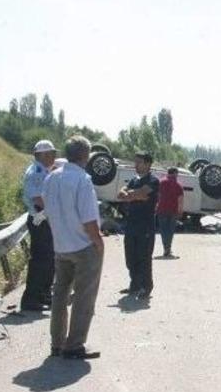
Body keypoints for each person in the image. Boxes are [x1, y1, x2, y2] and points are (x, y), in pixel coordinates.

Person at [41, 135, 104, 360]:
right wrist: (99, 242)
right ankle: (74, 344)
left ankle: (56, 343)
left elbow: (46, 210)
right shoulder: (82, 180)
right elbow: (88, 220)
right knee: (83, 296)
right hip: (83, 245)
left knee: (60, 295)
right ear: (86, 156)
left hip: (61, 245)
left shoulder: (51, 178)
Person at [20, 139, 57, 311]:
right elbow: (38, 199)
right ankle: (31, 299)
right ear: (40, 155)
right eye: (50, 153)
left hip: (44, 220)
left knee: (48, 260)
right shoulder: (36, 172)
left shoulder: (44, 170)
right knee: (41, 261)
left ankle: (43, 294)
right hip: (40, 220)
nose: (53, 156)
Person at [117, 152, 159, 300]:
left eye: (139, 162)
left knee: (144, 257)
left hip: (145, 227)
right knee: (130, 257)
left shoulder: (153, 181)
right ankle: (134, 284)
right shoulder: (134, 180)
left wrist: (131, 195)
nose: (136, 165)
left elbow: (142, 194)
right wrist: (130, 194)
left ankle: (146, 287)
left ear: (148, 164)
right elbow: (121, 193)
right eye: (135, 162)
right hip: (131, 225)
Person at [155, 167, 184, 257]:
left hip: (162, 209)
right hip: (173, 211)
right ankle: (168, 248)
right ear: (175, 173)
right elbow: (180, 200)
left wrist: (156, 207)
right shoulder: (178, 185)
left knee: (163, 230)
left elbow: (157, 196)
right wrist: (180, 211)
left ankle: (166, 249)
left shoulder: (161, 182)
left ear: (168, 173)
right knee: (170, 231)